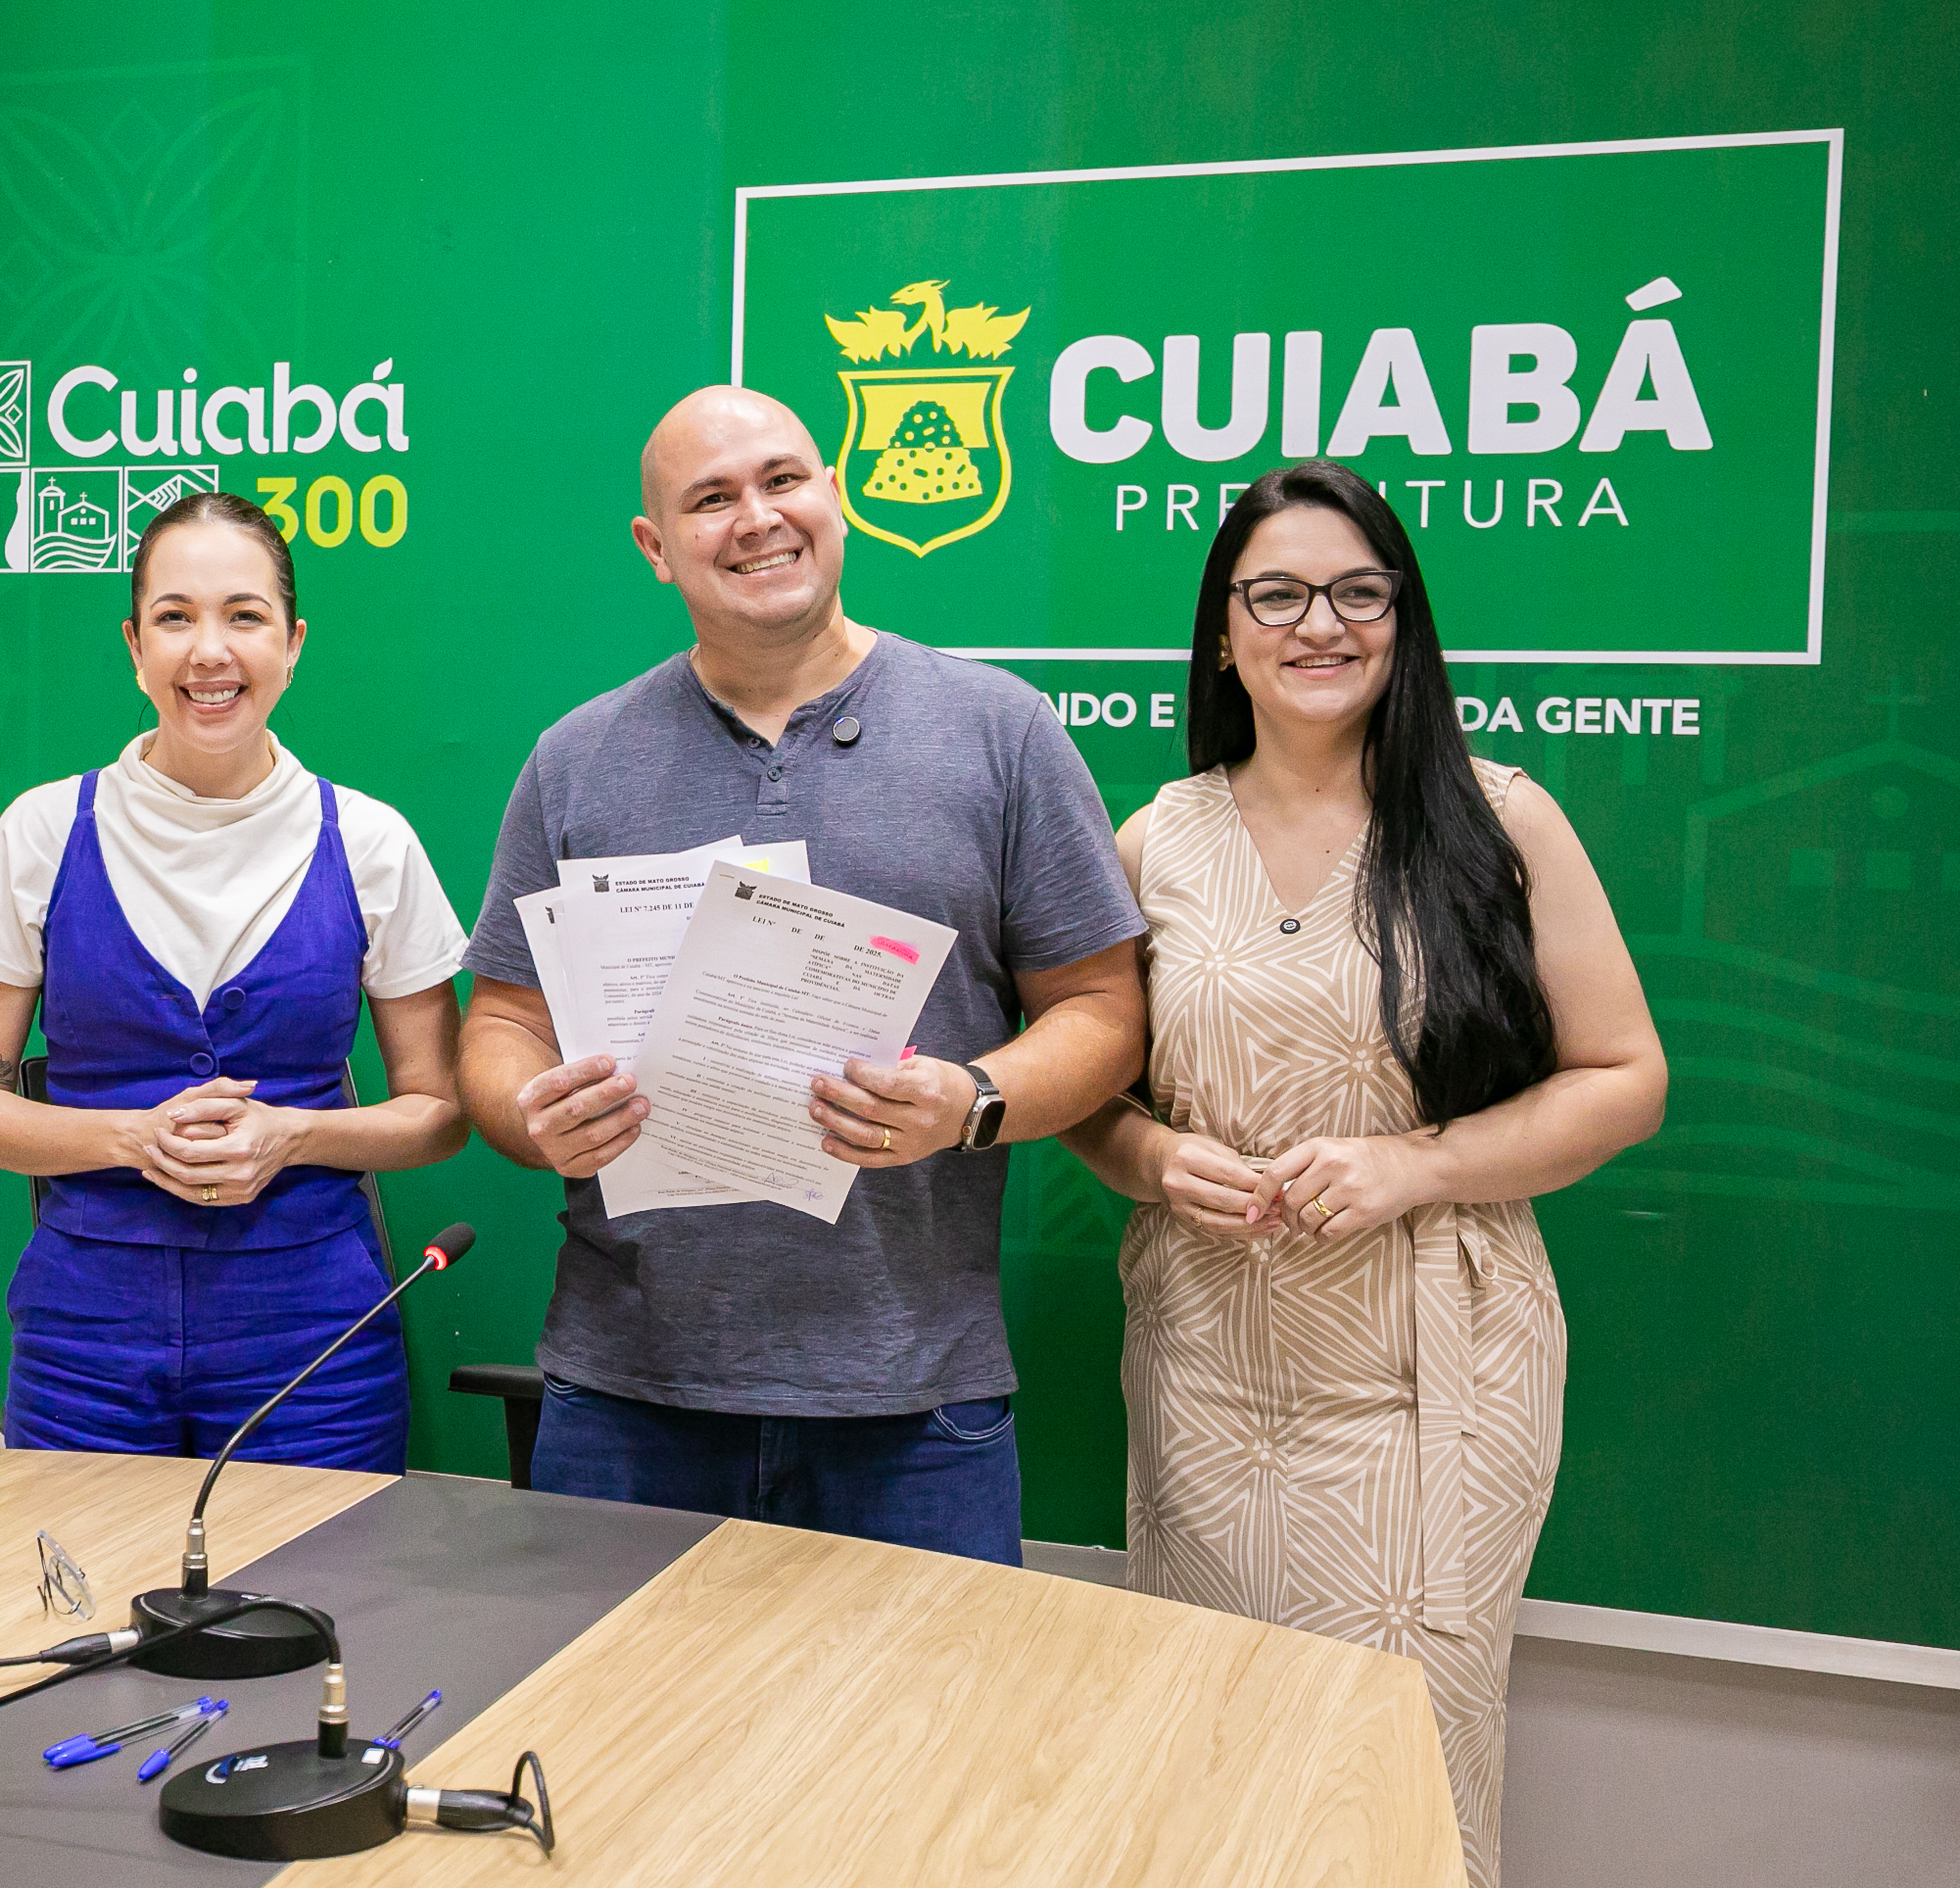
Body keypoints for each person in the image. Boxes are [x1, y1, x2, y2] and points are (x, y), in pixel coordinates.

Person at [1059, 460, 1666, 1888]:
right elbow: (1089, 1096)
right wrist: (1156, 1156)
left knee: (1392, 1777)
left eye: (1356, 592)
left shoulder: (1497, 819)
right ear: (1223, 631)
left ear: (1403, 617)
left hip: (1431, 1381)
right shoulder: (1153, 836)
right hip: (1209, 1375)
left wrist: (1417, 1162)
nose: (1318, 624)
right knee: (1209, 1757)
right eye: (1275, 594)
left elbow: (1625, 1077)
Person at [454, 386, 1146, 1562]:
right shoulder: (576, 757)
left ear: (836, 494)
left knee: (929, 1698)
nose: (757, 518)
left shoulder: (1001, 729)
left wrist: (970, 1100)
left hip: (913, 1403)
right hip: (627, 1400)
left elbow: (1102, 1011)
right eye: (711, 499)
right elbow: (502, 1021)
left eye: (782, 480)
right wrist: (529, 1115)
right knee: (608, 1694)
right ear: (655, 546)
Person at [0, 492, 468, 1469]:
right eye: (175, 616)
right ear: (135, 645)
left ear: (292, 643)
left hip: (316, 1341)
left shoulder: (372, 842)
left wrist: (293, 1134)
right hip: (84, 1338)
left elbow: (437, 1112)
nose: (209, 651)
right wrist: (129, 1138)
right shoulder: (40, 832)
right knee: (75, 1571)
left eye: (244, 615)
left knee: (317, 1571)